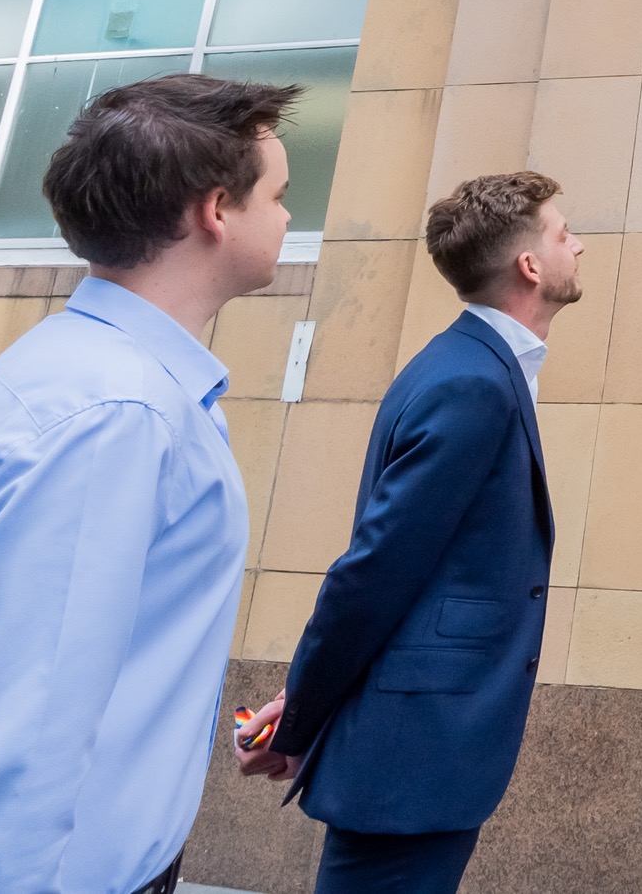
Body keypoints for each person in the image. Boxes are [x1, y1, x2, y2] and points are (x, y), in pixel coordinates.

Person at [0, 74, 299, 894]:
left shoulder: (101, 381)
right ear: (216, 209)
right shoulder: (113, 412)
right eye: (278, 193)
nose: (287, 215)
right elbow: (19, 751)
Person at [231, 172, 583, 893]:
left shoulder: (473, 367)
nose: (579, 244)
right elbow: (375, 569)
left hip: (421, 753)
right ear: (530, 265)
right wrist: (299, 715)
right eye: (561, 232)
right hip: (413, 757)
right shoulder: (472, 383)